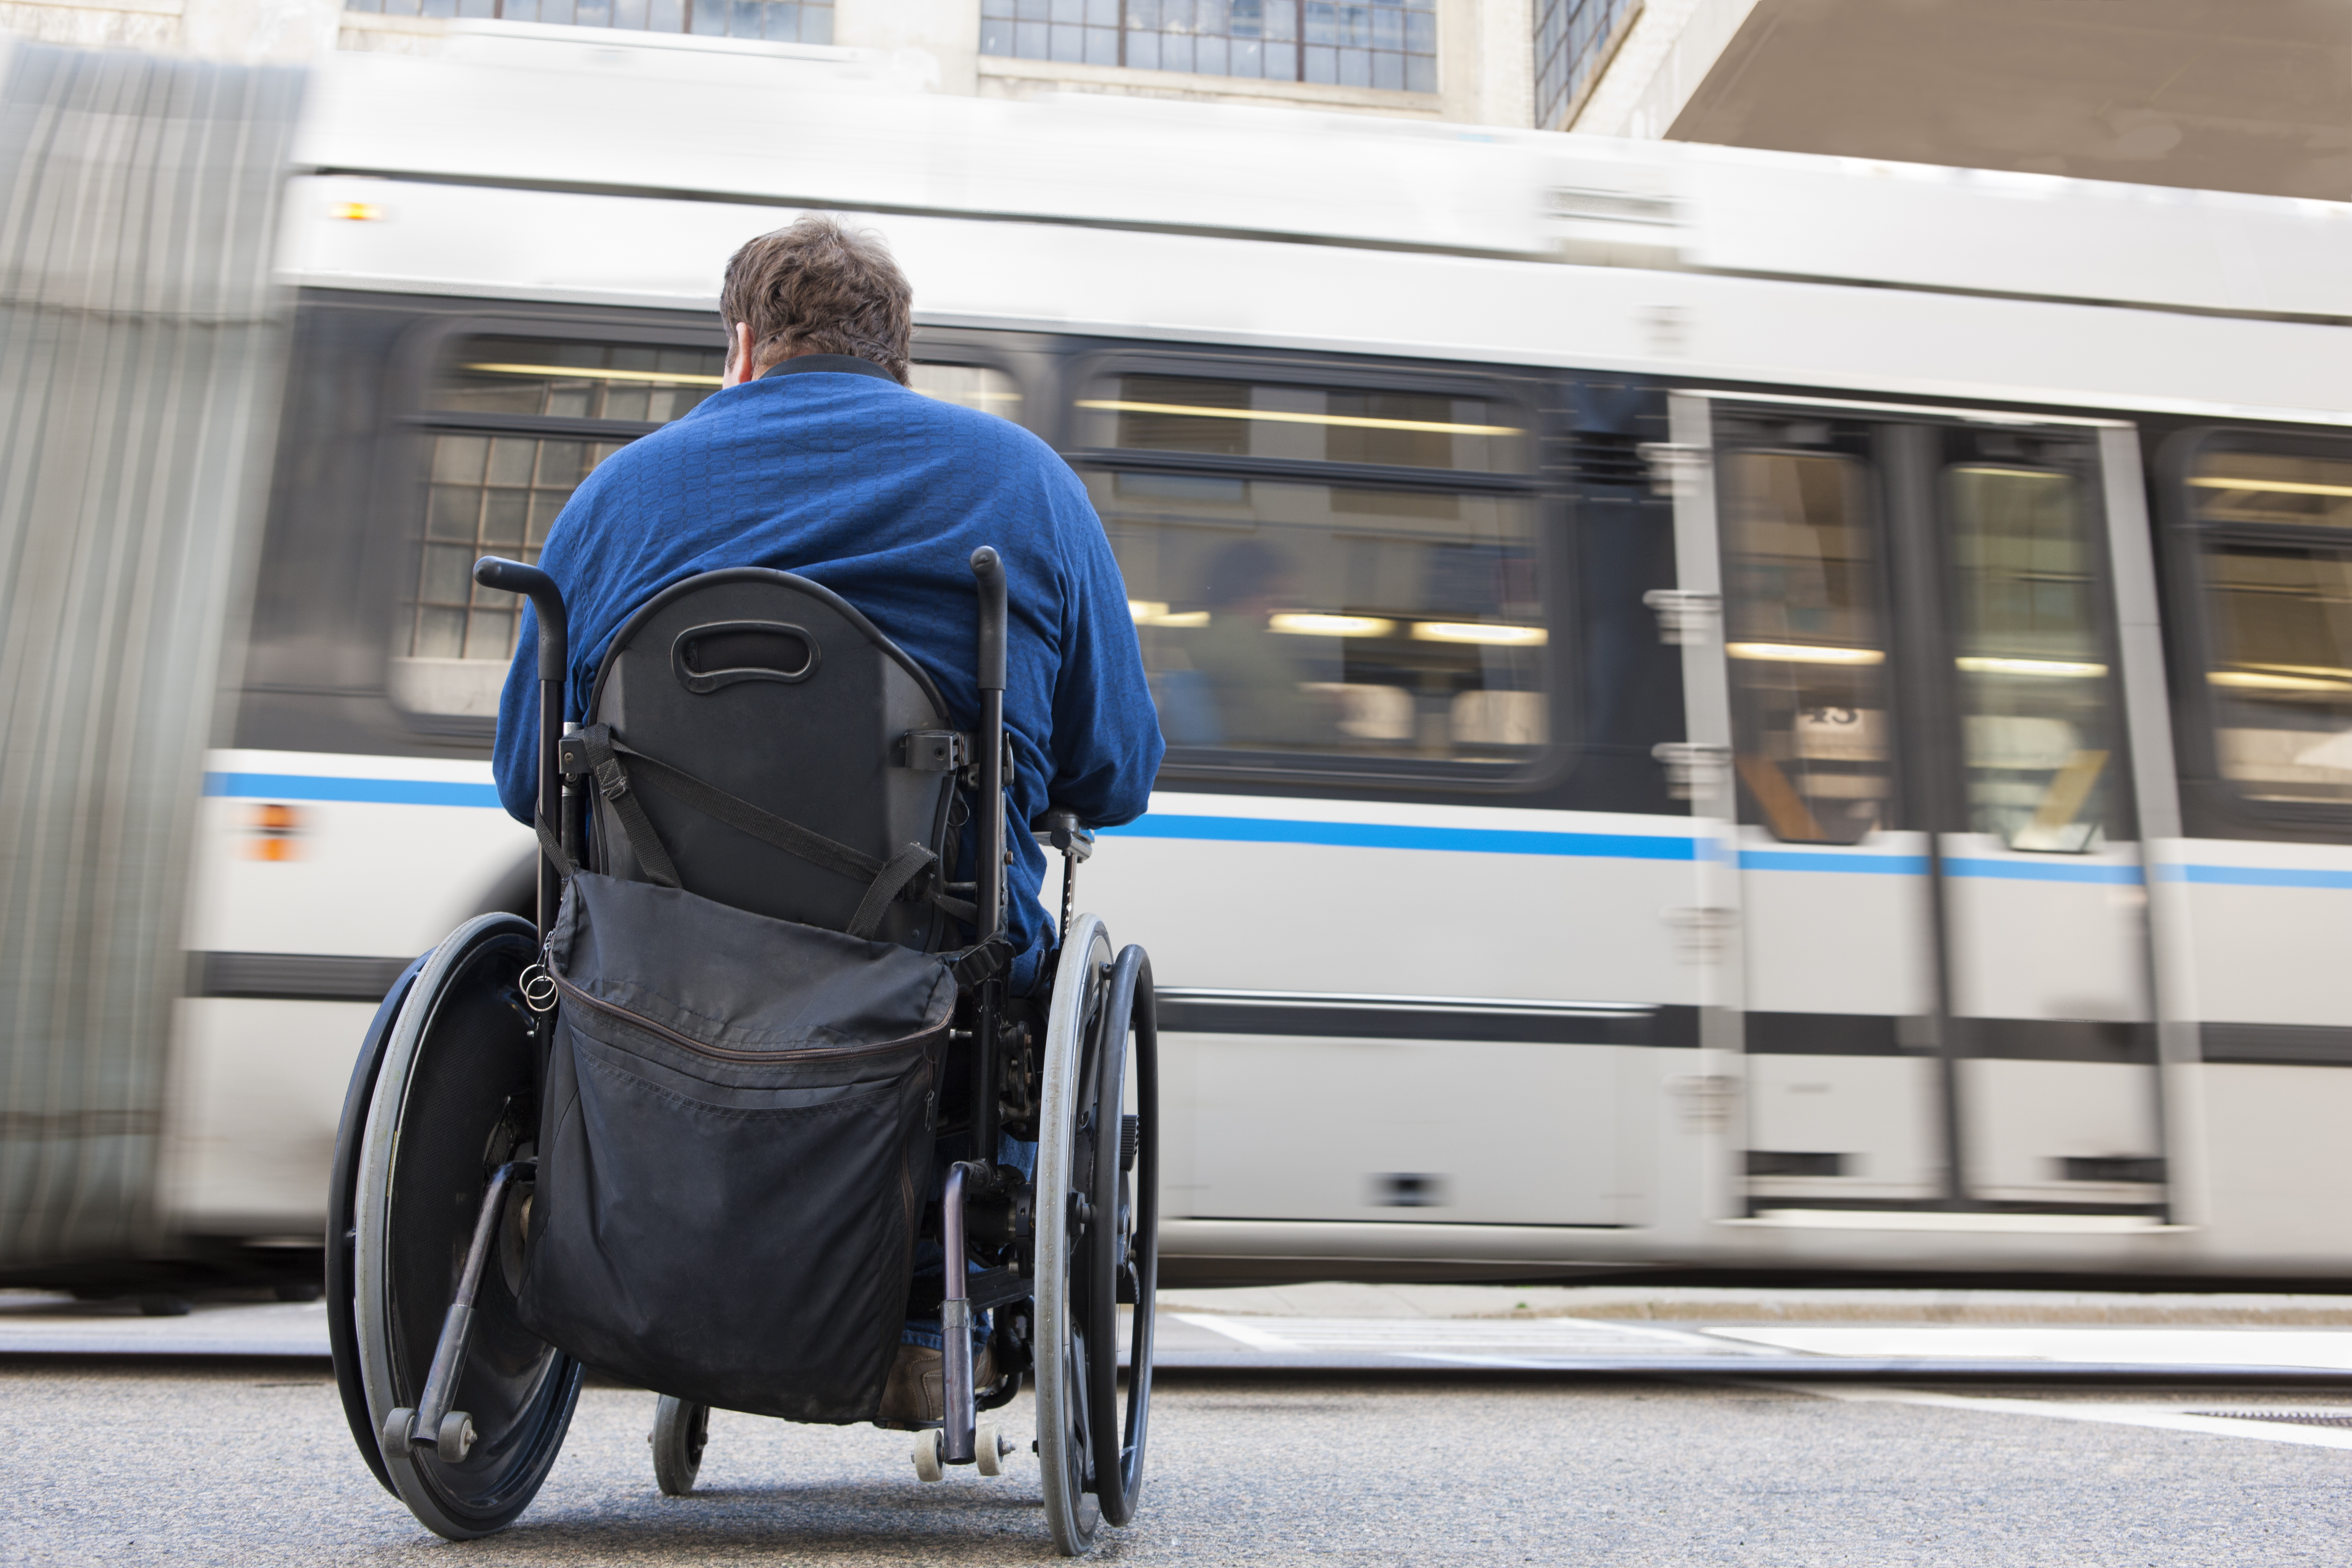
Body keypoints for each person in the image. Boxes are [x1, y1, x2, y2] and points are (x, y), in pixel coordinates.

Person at [489, 214, 1163, 1420]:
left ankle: (619, 1279)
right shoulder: (1022, 484)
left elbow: (521, 779)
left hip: (661, 961)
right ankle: (925, 1317)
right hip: (925, 958)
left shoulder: (616, 499)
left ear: (741, 345)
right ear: (898, 354)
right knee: (1020, 964)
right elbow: (1115, 773)